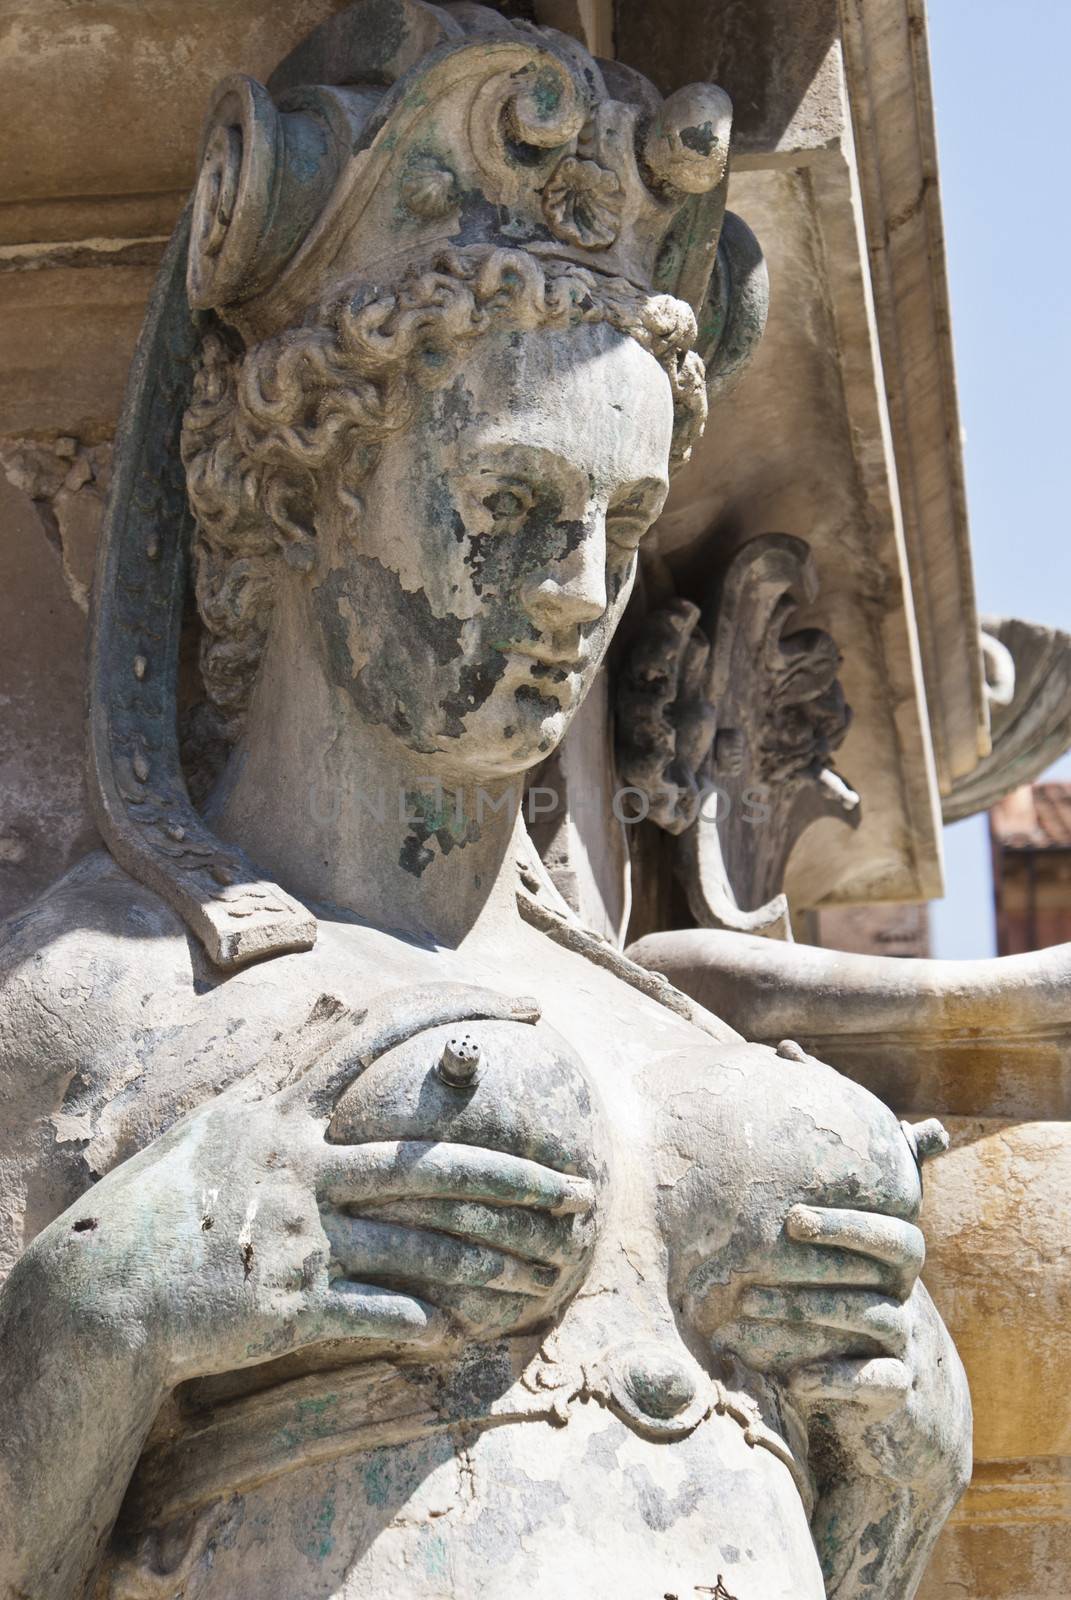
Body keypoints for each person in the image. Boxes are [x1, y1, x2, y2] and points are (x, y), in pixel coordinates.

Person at [0, 6, 970, 1596]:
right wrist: (111, 1310)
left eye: (625, 520)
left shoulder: (682, 1041)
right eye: (511, 504)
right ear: (300, 479)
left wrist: (904, 1460)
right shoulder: (92, 1001)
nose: (578, 597)